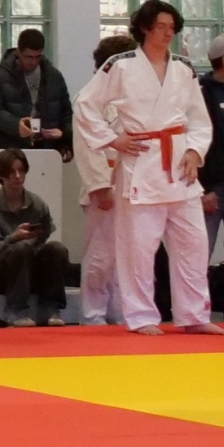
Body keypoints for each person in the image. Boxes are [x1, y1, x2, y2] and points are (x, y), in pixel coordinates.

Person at [74, 0, 224, 336]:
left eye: (172, 28)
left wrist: (195, 152)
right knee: (139, 247)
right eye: (161, 26)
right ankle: (142, 315)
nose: (167, 33)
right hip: (141, 162)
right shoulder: (120, 66)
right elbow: (85, 105)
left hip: (180, 165)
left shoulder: (184, 69)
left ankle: (194, 314)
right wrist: (112, 139)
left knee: (193, 243)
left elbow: (199, 119)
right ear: (144, 27)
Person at [73, 34, 137, 325]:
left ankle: (122, 312)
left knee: (128, 254)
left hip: (133, 185)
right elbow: (87, 147)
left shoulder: (133, 97)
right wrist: (100, 185)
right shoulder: (89, 99)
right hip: (105, 184)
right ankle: (93, 314)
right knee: (101, 253)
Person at [0, 148, 69, 327]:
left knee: (56, 248)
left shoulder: (37, 203)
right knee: (21, 248)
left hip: (28, 267)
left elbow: (46, 230)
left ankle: (51, 308)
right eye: (11, 172)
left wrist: (34, 243)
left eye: (21, 170)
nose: (18, 176)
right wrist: (13, 238)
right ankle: (16, 311)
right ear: (1, 175)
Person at [0, 28, 74, 159]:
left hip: (47, 151)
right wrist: (15, 125)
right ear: (18, 52)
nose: (33, 62)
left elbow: (66, 112)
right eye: (29, 57)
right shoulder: (0, 76)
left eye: (38, 56)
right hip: (11, 152)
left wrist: (65, 138)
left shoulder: (54, 76)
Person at [200, 32, 224, 272]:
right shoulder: (202, 93)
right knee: (201, 250)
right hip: (215, 187)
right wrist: (203, 189)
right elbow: (200, 144)